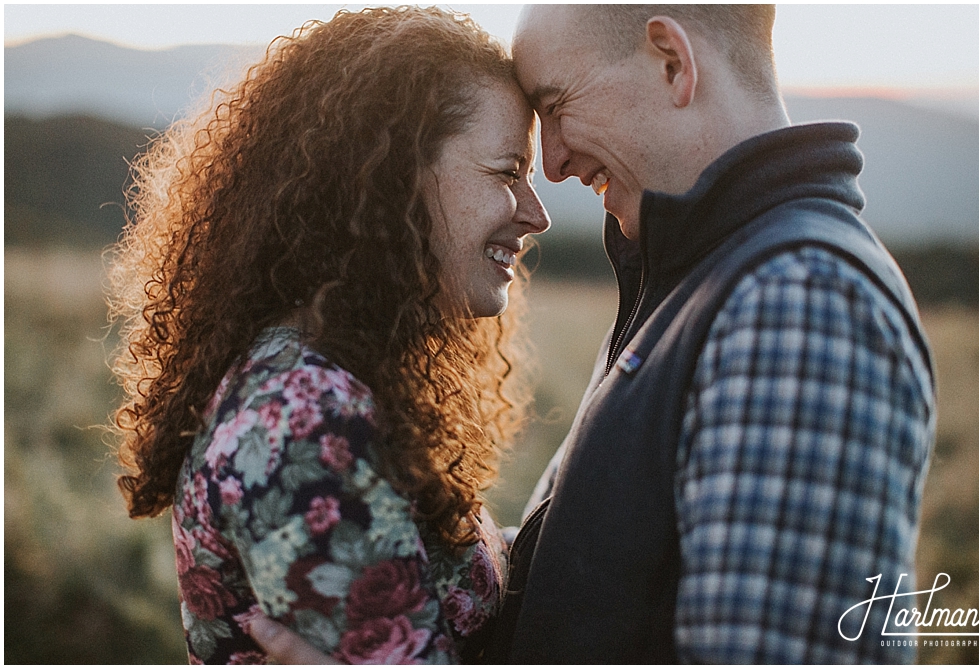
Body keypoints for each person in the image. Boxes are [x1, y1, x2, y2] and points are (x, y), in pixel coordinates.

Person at [250, 4, 936, 664]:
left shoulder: (798, 303)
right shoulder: (698, 280)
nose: (552, 163)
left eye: (554, 104)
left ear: (672, 63)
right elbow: (596, 590)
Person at [107, 6, 548, 664]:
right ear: (394, 175)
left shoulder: (344, 378)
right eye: (507, 172)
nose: (535, 215)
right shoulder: (303, 421)